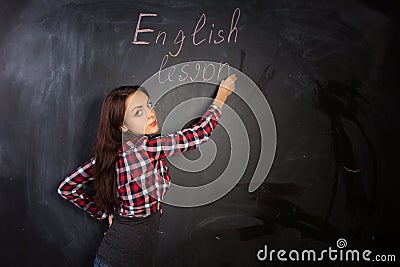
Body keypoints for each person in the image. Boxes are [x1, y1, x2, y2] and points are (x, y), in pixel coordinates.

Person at [57, 74, 237, 267]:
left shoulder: (106, 157)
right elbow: (199, 134)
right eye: (138, 112)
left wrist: (103, 213)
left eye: (148, 105)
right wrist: (222, 96)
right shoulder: (148, 148)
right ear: (123, 126)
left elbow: (66, 188)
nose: (150, 113)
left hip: (112, 259)